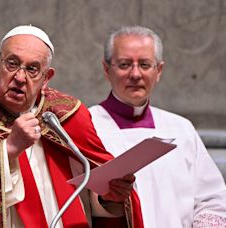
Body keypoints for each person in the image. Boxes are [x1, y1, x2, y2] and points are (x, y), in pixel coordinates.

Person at [0, 25, 144, 228]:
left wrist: (109, 199)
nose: (20, 77)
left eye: (32, 69)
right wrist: (7, 150)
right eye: (12, 64)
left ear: (47, 77)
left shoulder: (66, 114)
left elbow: (89, 188)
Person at [89, 25, 226, 228]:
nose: (135, 74)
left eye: (144, 64)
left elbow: (212, 199)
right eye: (125, 64)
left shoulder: (181, 129)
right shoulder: (87, 125)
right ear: (106, 69)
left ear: (159, 70)